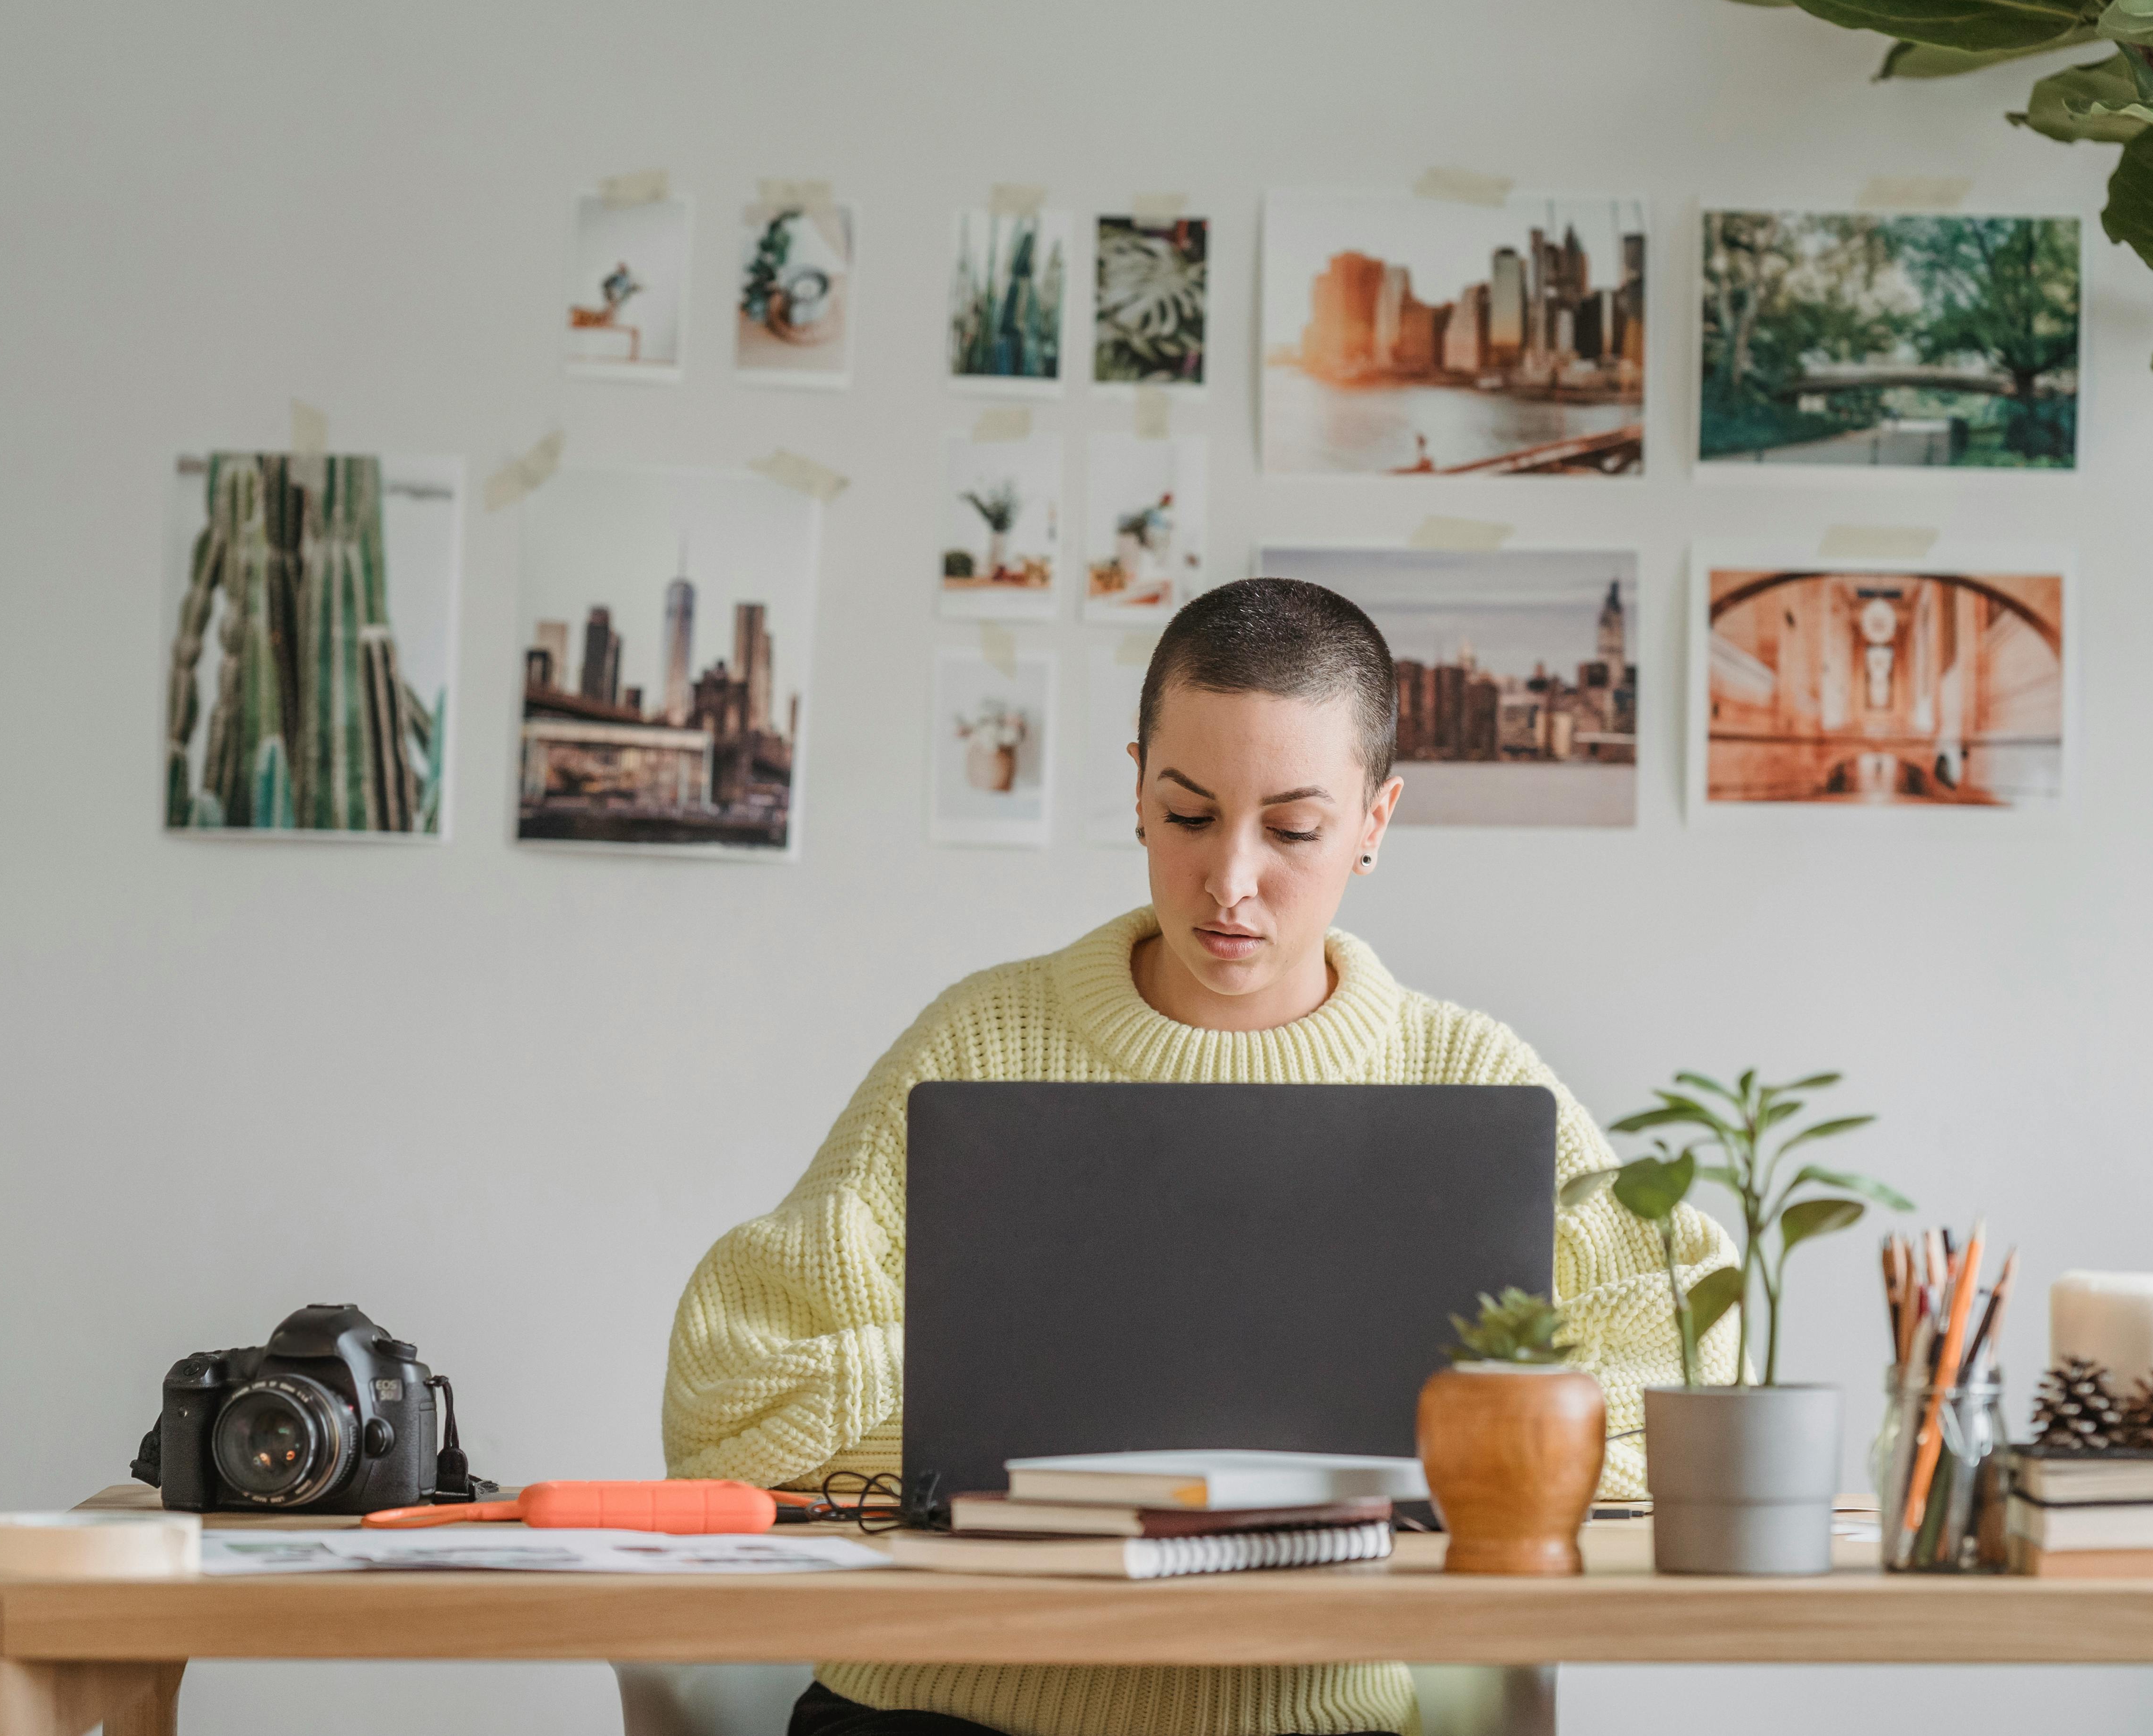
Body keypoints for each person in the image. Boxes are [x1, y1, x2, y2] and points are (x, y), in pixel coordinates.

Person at [664, 578, 1737, 1736]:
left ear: (1374, 823)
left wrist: (1037, 1448)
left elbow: (1691, 1375)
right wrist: (1005, 1416)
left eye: (1292, 829)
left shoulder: (1465, 1074)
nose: (1230, 881)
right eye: (1187, 816)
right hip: (940, 1714)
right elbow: (728, 1405)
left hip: (1306, 1723)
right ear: (1134, 790)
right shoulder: (982, 1039)